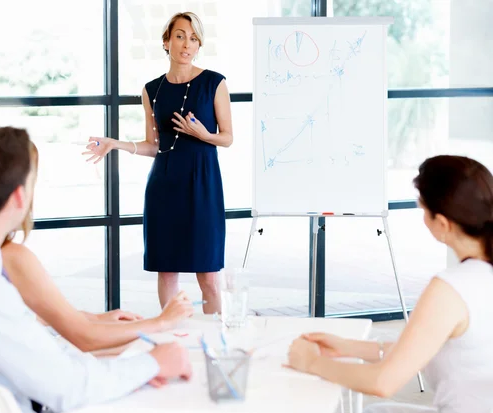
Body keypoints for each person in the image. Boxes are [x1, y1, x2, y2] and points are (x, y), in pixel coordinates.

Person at [0, 127, 192, 413]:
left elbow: (44, 360)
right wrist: (153, 362)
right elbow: (68, 388)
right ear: (19, 197)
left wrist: (129, 370)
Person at [284, 155, 493, 413]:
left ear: (442, 223)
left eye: (423, 211)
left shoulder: (451, 289)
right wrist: (348, 346)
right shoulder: (480, 276)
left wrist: (311, 363)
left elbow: (383, 382)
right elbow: (426, 348)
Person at [83, 11, 234, 315]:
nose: (187, 44)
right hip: (164, 186)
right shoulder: (152, 90)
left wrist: (202, 133)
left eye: (193, 38)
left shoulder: (214, 83)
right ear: (166, 41)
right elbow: (154, 145)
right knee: (167, 271)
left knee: (209, 276)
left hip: (202, 186)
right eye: (180, 36)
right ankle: (173, 337)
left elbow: (227, 137)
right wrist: (115, 144)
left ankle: (213, 346)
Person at [0, 204, 196, 353]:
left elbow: (24, 316)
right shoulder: (10, 255)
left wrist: (92, 317)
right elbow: (85, 338)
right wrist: (162, 321)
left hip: (0, 370)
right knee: (144, 355)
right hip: (29, 377)